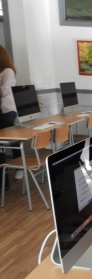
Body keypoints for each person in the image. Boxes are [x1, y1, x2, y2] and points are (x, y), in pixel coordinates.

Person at [0, 45, 22, 186]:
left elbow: (5, 90)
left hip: (7, 110)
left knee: (11, 139)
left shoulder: (8, 71)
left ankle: (20, 165)